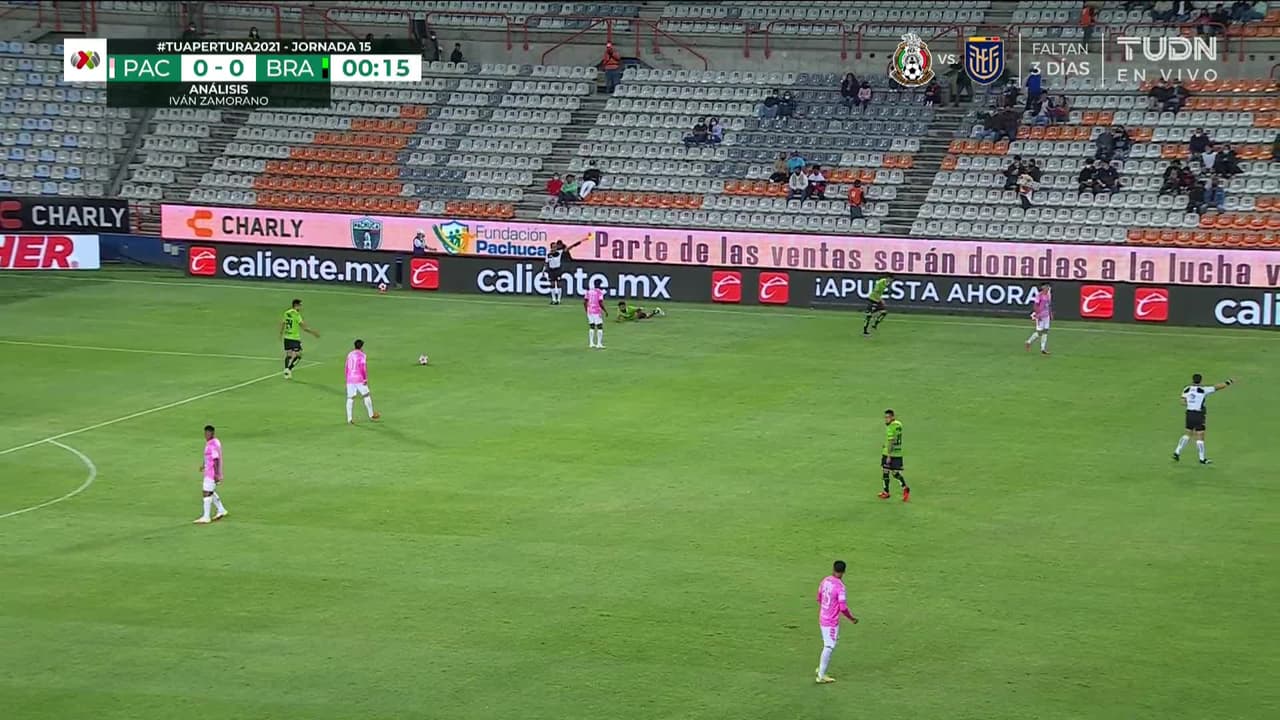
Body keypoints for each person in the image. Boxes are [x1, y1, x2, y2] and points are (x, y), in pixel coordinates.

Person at [815, 560, 859, 684]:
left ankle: (821, 668)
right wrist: (851, 618)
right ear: (844, 572)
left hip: (822, 617)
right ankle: (821, 675)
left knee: (830, 642)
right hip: (831, 621)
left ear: (833, 569)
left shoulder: (825, 580)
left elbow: (819, 597)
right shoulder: (840, 587)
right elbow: (843, 607)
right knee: (829, 646)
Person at [1174, 374, 1234, 464]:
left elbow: (1182, 402)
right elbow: (1217, 387)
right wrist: (1229, 382)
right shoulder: (1203, 390)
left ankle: (1177, 451)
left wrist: (1191, 404)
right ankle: (1202, 459)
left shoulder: (1186, 389)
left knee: (1188, 433)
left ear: (1192, 380)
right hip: (1199, 414)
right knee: (1200, 436)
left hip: (1189, 413)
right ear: (1201, 381)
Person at [193, 425, 228, 524]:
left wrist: (216, 474)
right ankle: (221, 510)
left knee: (206, 493)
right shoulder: (215, 441)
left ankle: (206, 516)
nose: (206, 435)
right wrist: (203, 464)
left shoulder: (211, 445)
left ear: (212, 433)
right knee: (210, 491)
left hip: (211, 473)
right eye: (205, 433)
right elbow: (208, 456)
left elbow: (215, 459)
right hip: (211, 471)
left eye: (208, 433)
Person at [280, 298, 319, 379]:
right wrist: (314, 332)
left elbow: (283, 323)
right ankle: (289, 369)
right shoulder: (296, 315)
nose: (301, 308)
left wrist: (281, 333)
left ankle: (286, 370)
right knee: (299, 355)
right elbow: (304, 328)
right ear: (296, 305)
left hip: (286, 337)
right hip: (294, 338)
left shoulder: (286, 313)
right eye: (300, 306)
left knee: (289, 355)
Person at [345, 339, 380, 425]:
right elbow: (363, 368)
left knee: (350, 398)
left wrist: (347, 378)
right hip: (359, 378)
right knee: (366, 395)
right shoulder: (362, 355)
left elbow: (346, 367)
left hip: (350, 378)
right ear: (361, 346)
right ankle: (371, 415)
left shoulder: (350, 354)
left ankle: (349, 419)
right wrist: (365, 379)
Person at [543, 237, 586, 305]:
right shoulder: (548, 254)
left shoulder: (559, 252)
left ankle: (559, 300)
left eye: (555, 246)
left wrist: (580, 241)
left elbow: (570, 247)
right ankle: (553, 299)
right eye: (553, 247)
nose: (555, 248)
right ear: (551, 247)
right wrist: (543, 270)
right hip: (551, 270)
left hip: (557, 269)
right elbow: (546, 263)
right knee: (552, 285)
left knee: (559, 284)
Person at [878, 409, 909, 501]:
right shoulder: (899, 424)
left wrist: (888, 455)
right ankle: (904, 487)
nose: (886, 419)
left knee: (885, 471)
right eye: (885, 417)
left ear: (892, 417)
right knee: (895, 472)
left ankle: (886, 492)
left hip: (890, 453)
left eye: (887, 417)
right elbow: (895, 439)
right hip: (898, 452)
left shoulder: (890, 428)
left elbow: (891, 441)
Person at [1025, 283, 1052, 355]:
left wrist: (1050, 313)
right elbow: (1035, 305)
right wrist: (1038, 315)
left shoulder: (1049, 295)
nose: (1048, 288)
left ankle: (1043, 348)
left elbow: (1048, 305)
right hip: (1041, 316)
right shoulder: (1039, 295)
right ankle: (1028, 342)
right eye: (1046, 287)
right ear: (1043, 287)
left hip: (1046, 316)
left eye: (1048, 287)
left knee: (1045, 331)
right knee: (1039, 333)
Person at [584, 284, 607, 349]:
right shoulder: (599, 292)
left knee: (592, 326)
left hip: (589, 310)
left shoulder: (589, 291)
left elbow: (585, 301)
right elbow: (600, 302)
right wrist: (605, 310)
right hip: (596, 311)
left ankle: (591, 343)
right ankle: (599, 344)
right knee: (600, 326)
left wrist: (586, 310)